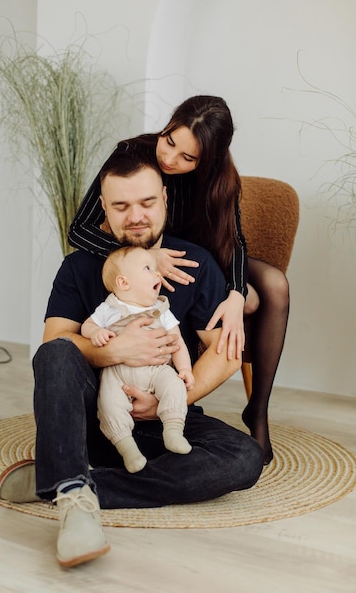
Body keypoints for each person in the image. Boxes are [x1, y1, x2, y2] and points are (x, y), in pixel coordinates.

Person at [0, 147, 263, 569]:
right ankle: (76, 504)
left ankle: (75, 485)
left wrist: (168, 403)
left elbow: (224, 355)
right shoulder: (78, 268)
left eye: (147, 202)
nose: (135, 215)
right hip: (93, 415)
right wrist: (113, 351)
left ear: (165, 200)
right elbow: (54, 346)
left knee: (244, 459)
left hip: (164, 416)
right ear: (103, 208)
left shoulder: (194, 264)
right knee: (58, 352)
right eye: (121, 205)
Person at [68, 95, 290, 464]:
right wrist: (146, 256)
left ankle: (259, 410)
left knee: (268, 291)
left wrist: (235, 296)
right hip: (156, 249)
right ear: (168, 125)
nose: (169, 159)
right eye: (170, 141)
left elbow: (234, 241)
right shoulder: (132, 152)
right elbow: (79, 228)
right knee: (250, 297)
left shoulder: (222, 178)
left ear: (209, 160)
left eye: (188, 158)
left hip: (202, 257)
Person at [82, 245, 194, 473]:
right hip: (117, 373)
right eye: (148, 268)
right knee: (109, 404)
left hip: (156, 370)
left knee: (174, 385)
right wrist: (96, 333)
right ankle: (128, 450)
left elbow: (176, 341)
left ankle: (173, 430)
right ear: (124, 283)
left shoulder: (160, 310)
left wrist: (185, 369)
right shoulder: (109, 308)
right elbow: (87, 326)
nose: (157, 274)